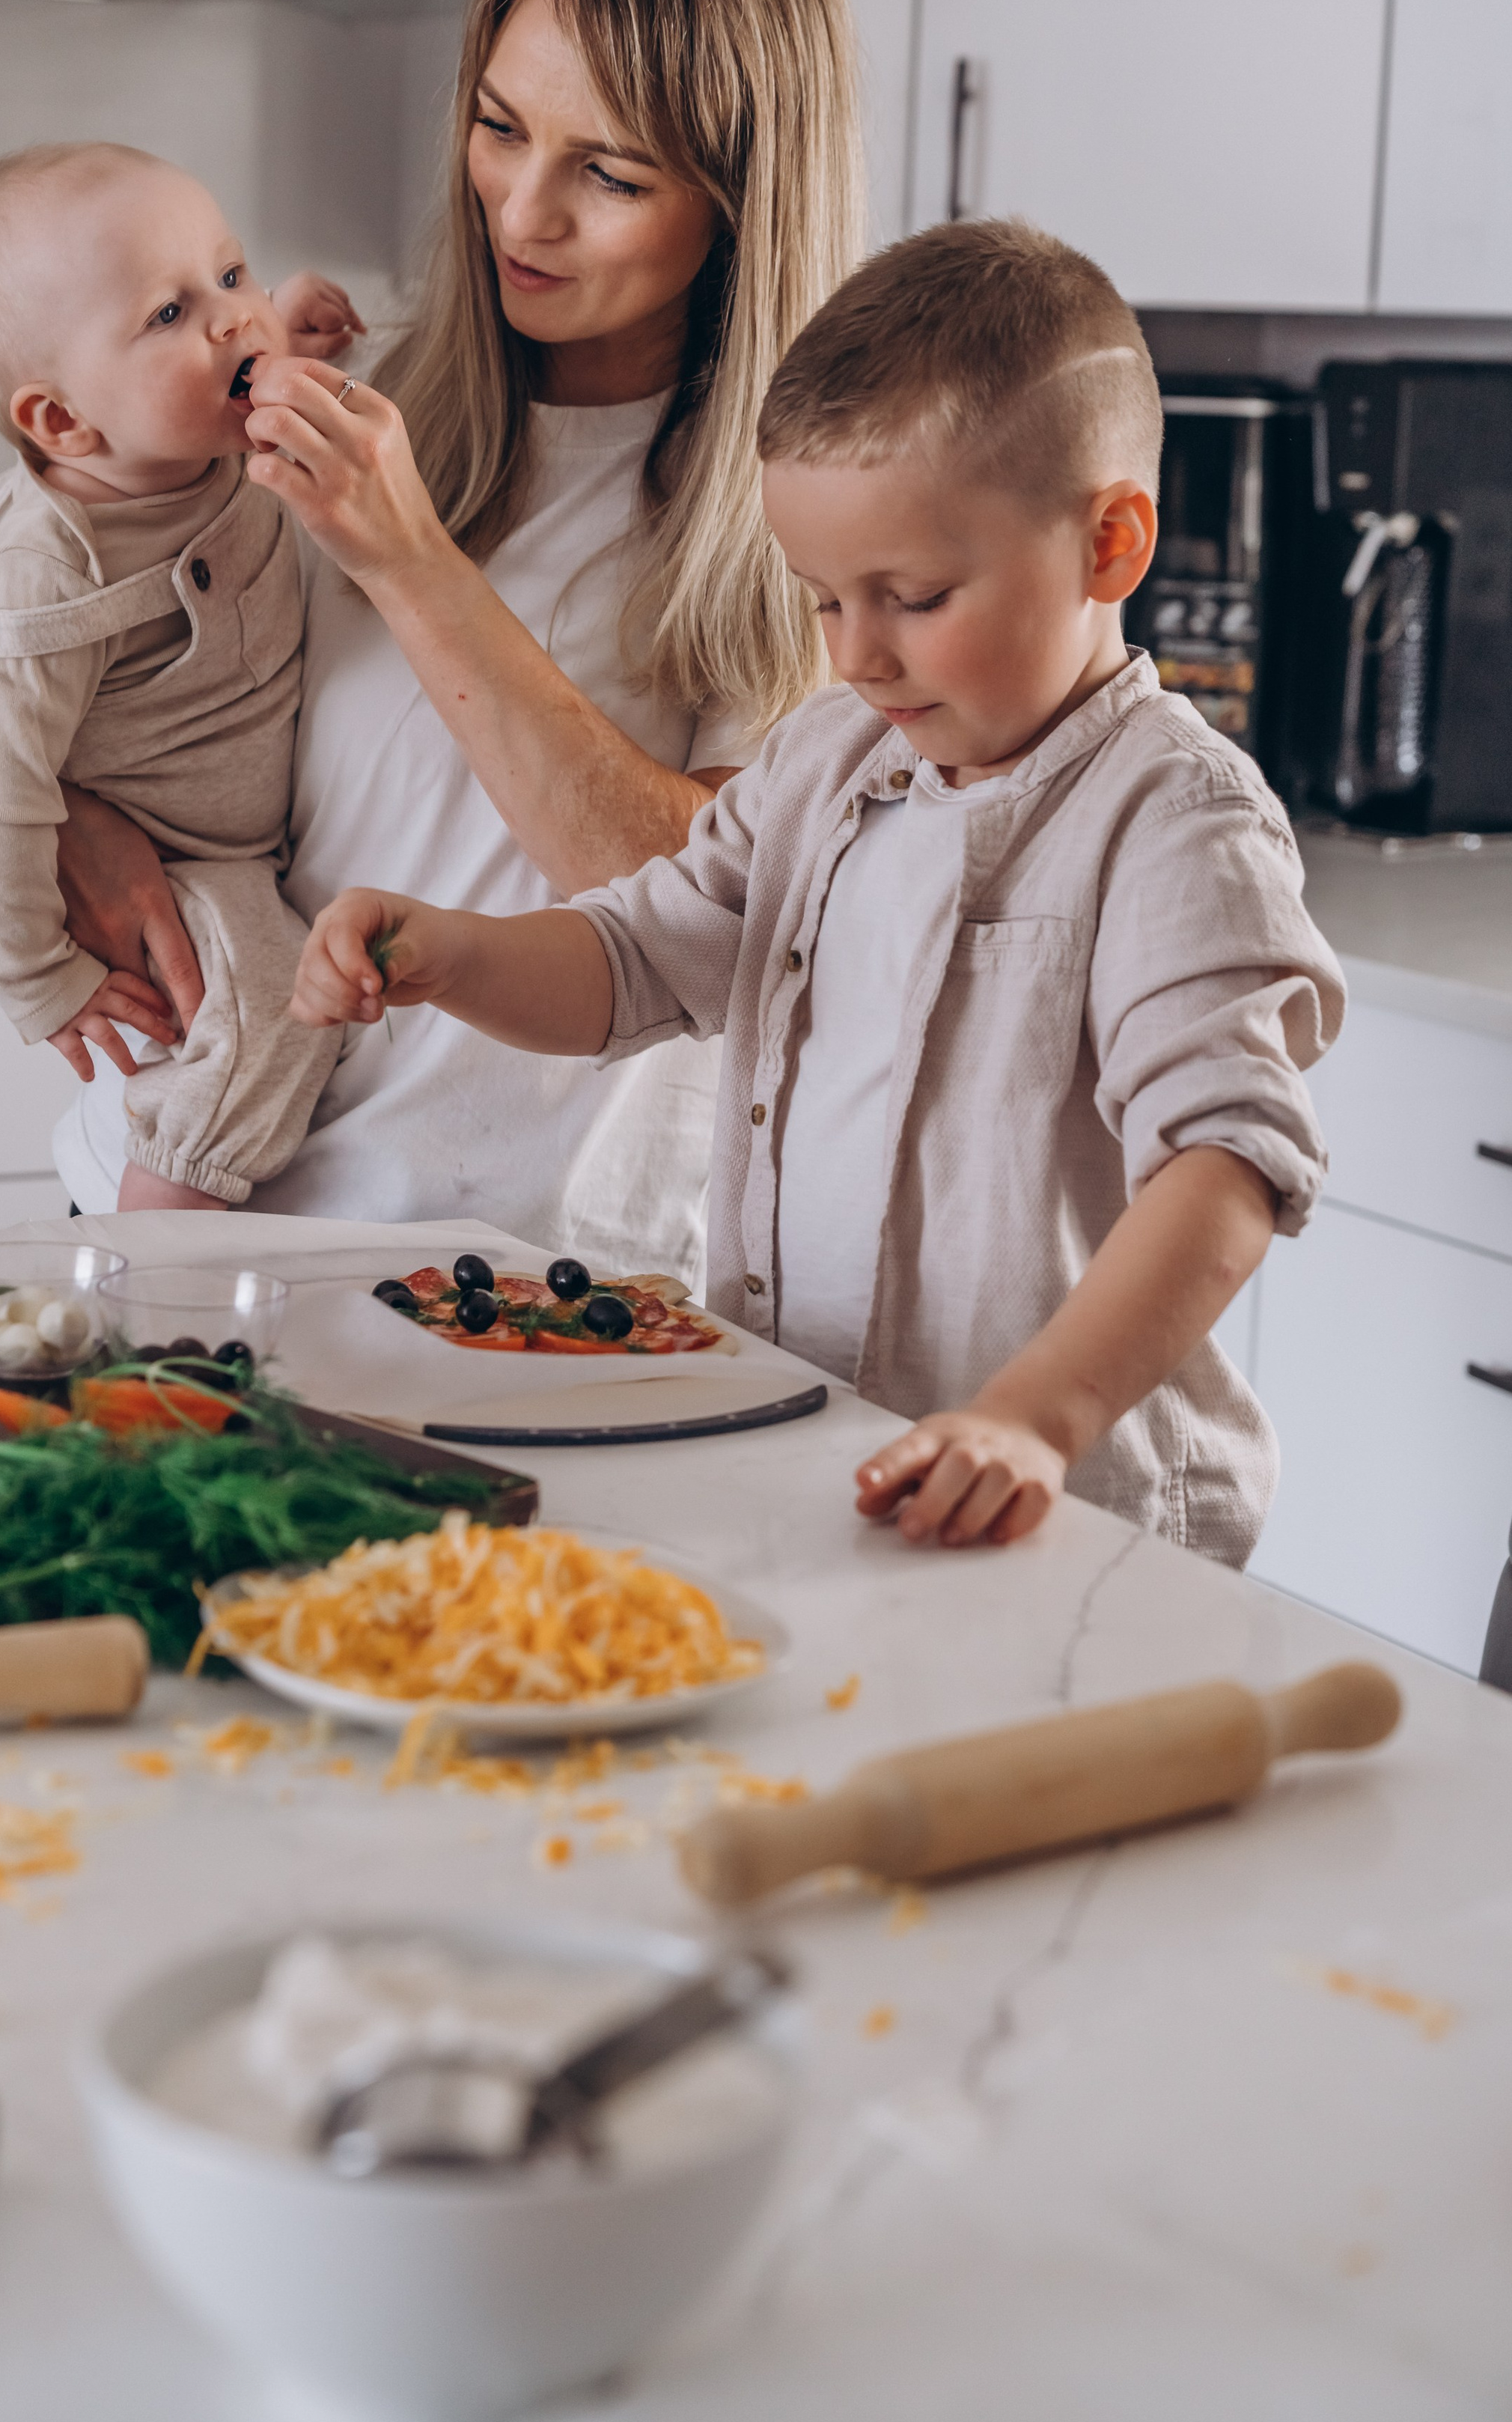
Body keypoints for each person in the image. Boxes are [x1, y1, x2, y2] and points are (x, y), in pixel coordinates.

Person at [288, 219, 1347, 1566]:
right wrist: (454, 954)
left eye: (911, 596)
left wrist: (1032, 1416)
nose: (860, 656)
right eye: (824, 602)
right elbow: (637, 958)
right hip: (830, 1462)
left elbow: (1227, 1169)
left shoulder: (1173, 819)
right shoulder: (830, 761)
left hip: (1078, 1520)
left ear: (1112, 545)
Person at [0, 0, 865, 1280]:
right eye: (498, 128)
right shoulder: (341, 391)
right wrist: (78, 832)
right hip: (182, 1218)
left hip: (515, 1282)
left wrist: (412, 564)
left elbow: (703, 915)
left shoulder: (815, 515)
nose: (521, 215)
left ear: (742, 202)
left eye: (605, 173)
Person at [0, 141, 359, 1208]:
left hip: (243, 850)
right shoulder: (47, 576)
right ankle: (159, 1256)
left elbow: (237, 363)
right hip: (187, 868)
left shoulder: (194, 439)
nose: (234, 317)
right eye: (169, 313)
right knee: (273, 1026)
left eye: (233, 272)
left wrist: (291, 326)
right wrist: (39, 980)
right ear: (64, 422)